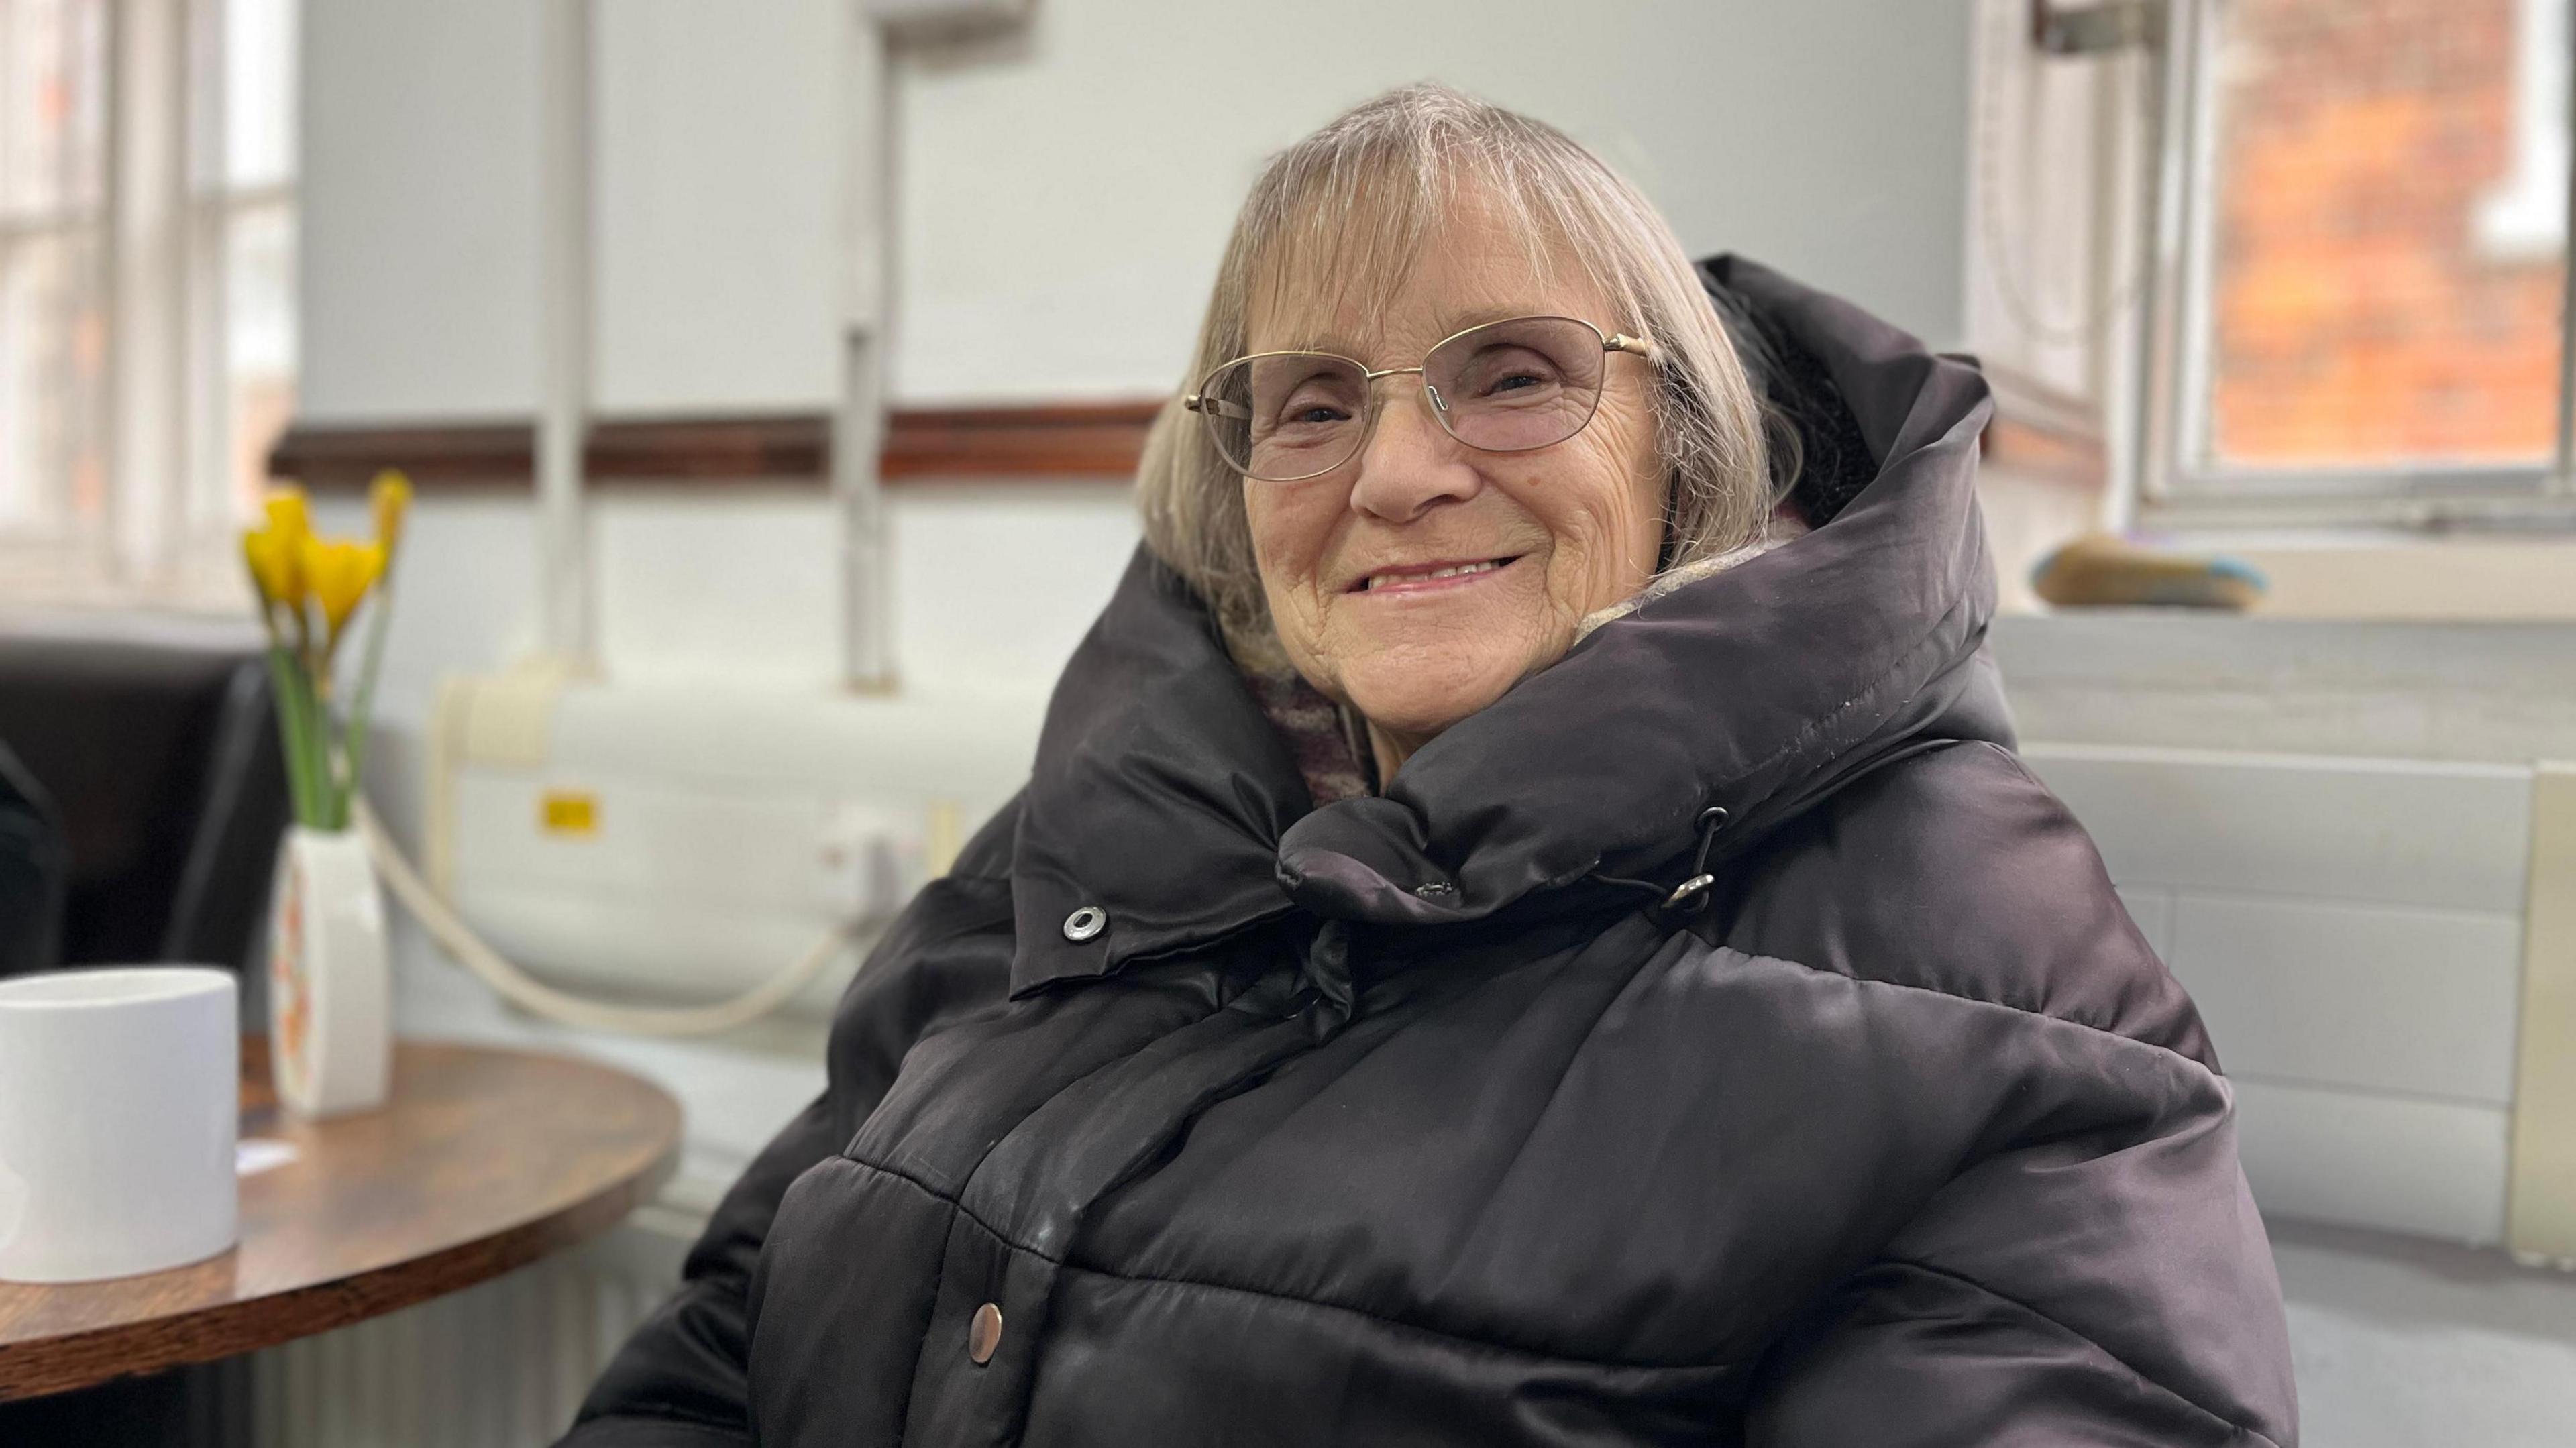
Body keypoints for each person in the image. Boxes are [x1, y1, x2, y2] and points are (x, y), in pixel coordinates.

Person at [561, 84, 2296, 1447]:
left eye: (1513, 377)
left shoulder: (1993, 966)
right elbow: (724, 1344)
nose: (1397, 472)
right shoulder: (1090, 842)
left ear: (1682, 446)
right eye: (1312, 403)